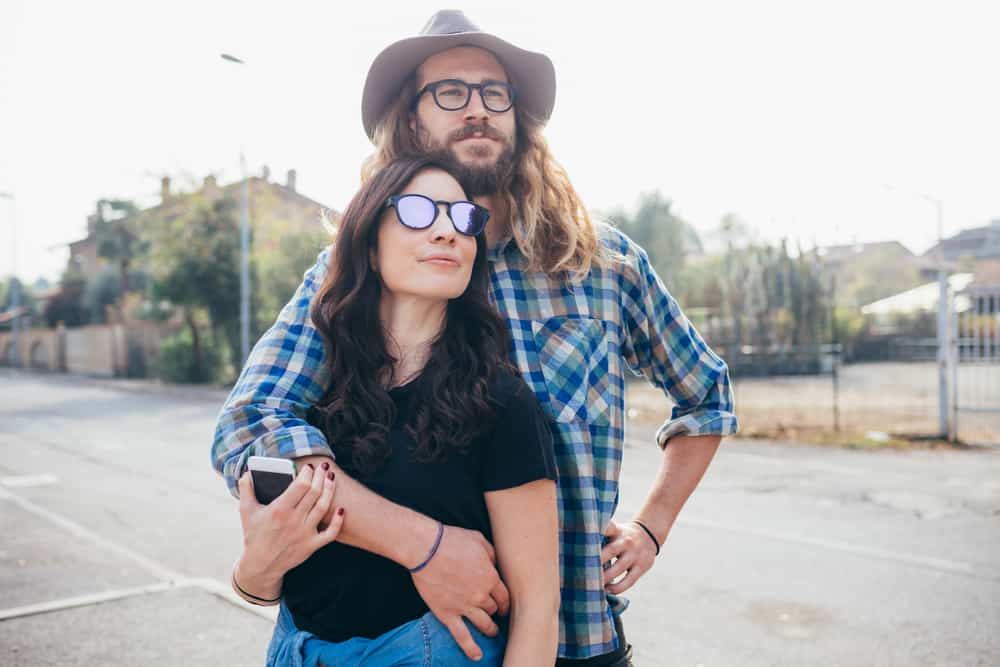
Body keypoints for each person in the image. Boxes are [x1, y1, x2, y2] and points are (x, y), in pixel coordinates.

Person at [212, 10, 738, 665]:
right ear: (411, 119)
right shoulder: (355, 277)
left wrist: (650, 528)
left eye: (496, 93)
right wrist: (422, 545)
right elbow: (249, 425)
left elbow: (707, 395)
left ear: (519, 119)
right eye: (451, 92)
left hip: (577, 635)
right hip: (415, 639)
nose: (479, 109)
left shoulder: (604, 266)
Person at [230, 155, 560, 666]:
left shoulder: (502, 402)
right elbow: (263, 577)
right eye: (418, 211)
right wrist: (253, 570)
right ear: (368, 239)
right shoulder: (312, 394)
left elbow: (538, 611)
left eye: (463, 217)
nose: (448, 231)